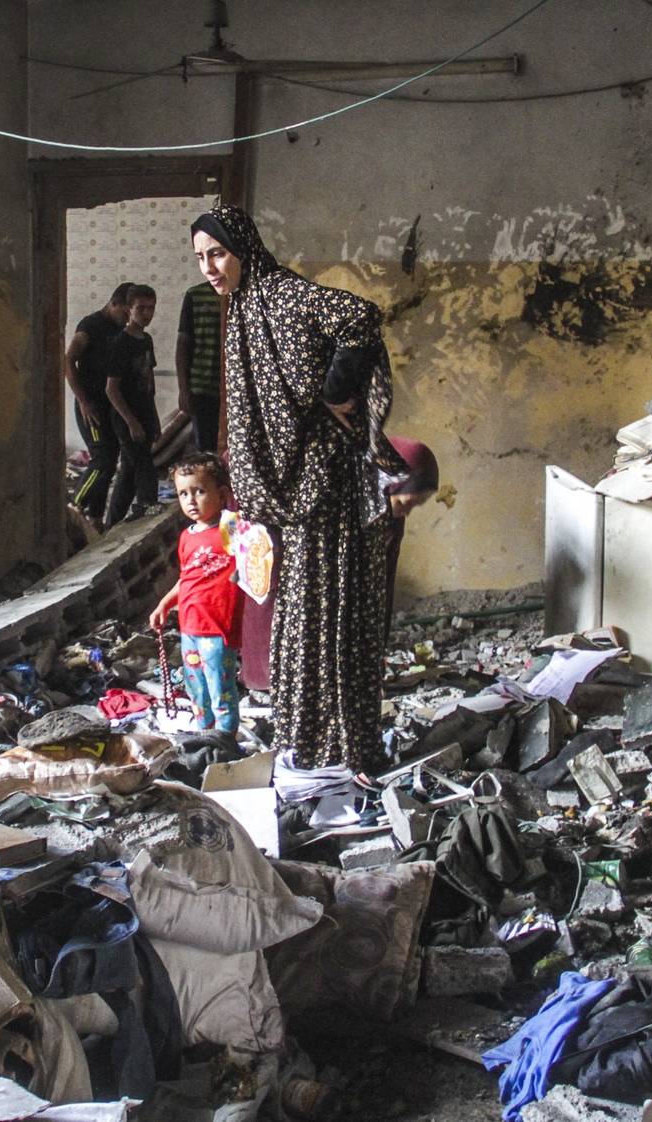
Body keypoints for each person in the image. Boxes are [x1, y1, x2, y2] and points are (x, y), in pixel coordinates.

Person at [190, 204, 405, 772]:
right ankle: (311, 742)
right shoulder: (244, 309)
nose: (210, 268)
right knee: (303, 614)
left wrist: (331, 391)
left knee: (329, 611)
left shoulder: (284, 294)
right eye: (201, 259)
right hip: (296, 495)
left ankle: (339, 744)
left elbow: (361, 317)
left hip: (325, 485)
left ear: (244, 248)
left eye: (217, 253)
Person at [149, 453, 241, 733]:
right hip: (190, 626)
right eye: (183, 493)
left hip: (218, 627)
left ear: (222, 494)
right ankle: (205, 734)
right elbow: (186, 578)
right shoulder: (187, 536)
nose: (191, 500)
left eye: (199, 491)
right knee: (196, 687)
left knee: (220, 687)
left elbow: (254, 565)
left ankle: (225, 740)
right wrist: (164, 604)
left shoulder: (233, 529)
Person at [65, 283, 131, 523]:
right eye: (125, 313)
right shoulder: (90, 326)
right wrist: (83, 401)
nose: (127, 320)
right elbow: (69, 360)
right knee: (101, 459)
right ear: (114, 303)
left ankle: (95, 518)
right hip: (90, 406)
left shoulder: (121, 330)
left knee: (111, 460)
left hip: (109, 406)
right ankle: (74, 509)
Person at [104, 284, 161, 525]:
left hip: (145, 413)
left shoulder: (146, 340)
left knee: (128, 471)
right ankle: (148, 506)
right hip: (126, 417)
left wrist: (153, 418)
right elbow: (111, 388)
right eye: (141, 308)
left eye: (151, 308)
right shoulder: (121, 343)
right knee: (144, 465)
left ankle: (112, 523)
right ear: (129, 309)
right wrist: (131, 421)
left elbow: (149, 379)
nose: (146, 314)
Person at [382, 436, 441, 624]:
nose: (406, 514)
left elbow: (384, 585)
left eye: (415, 506)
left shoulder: (392, 521)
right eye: (403, 503)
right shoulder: (344, 516)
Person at [174, 280, 223, 451]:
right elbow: (183, 345)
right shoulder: (195, 295)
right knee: (205, 447)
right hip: (202, 387)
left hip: (236, 388)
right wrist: (184, 389)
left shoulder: (242, 293)